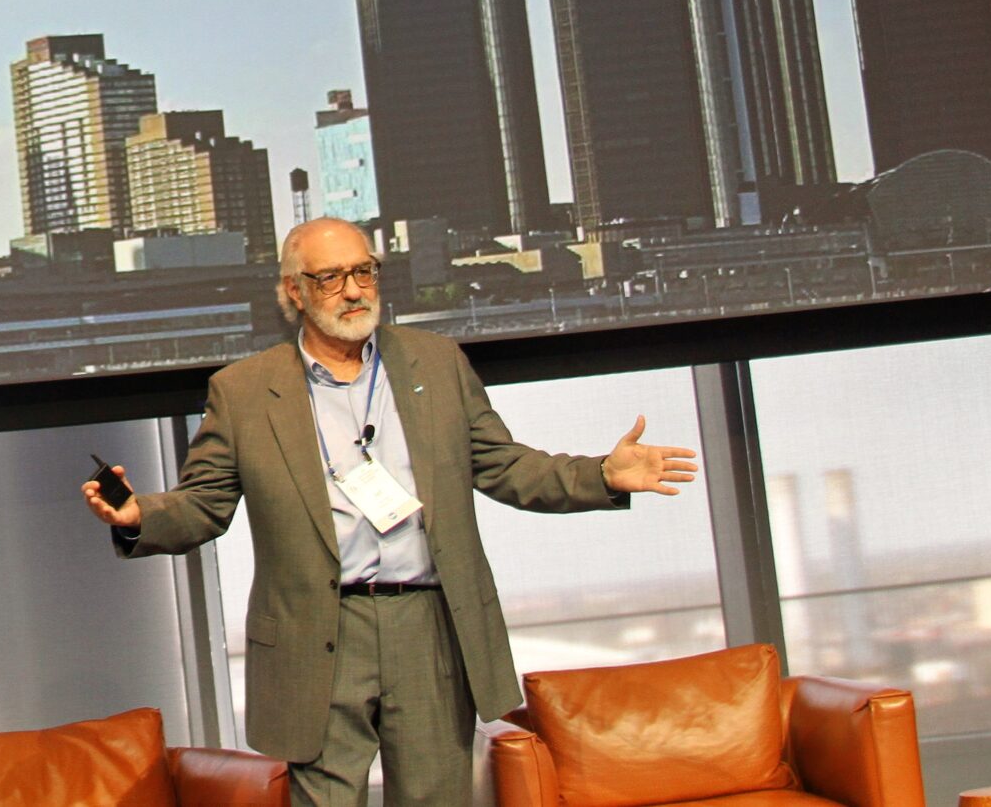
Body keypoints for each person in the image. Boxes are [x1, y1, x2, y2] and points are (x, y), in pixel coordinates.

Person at [82, 217, 697, 807]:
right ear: (294, 291)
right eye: (330, 278)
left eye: (364, 272)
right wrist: (139, 516)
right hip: (318, 632)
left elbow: (507, 466)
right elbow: (205, 503)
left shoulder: (436, 362)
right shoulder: (243, 391)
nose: (353, 291)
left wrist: (601, 474)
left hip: (429, 625)